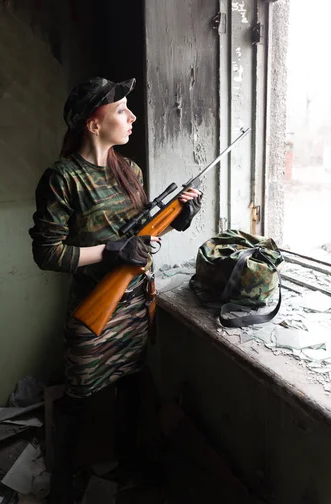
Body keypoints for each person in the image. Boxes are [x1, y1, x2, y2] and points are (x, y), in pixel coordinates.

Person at [29, 77, 202, 503]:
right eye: (121, 109)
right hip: (94, 308)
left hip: (134, 305)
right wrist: (110, 251)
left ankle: (127, 464)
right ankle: (63, 487)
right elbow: (48, 254)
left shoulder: (131, 171)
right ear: (92, 124)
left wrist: (179, 217)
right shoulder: (62, 178)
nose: (133, 116)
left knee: (131, 385)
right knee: (79, 398)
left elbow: (142, 236)